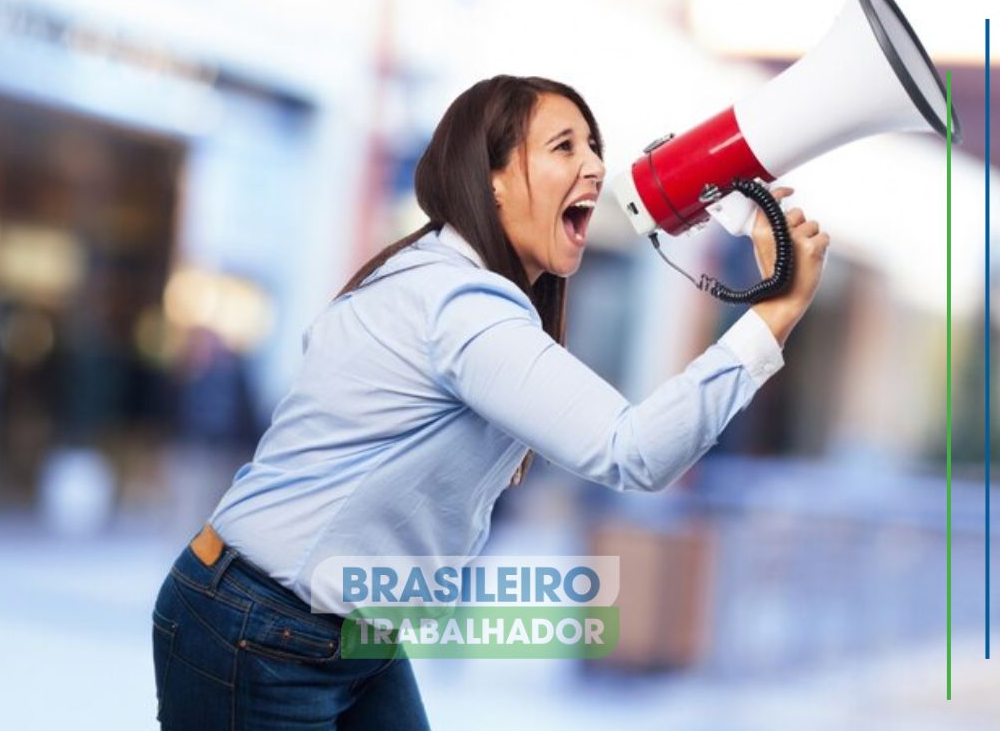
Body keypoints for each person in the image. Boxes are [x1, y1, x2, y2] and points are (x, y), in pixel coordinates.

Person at [150, 75, 830, 730]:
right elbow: (636, 452)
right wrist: (772, 318)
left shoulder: (458, 289)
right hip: (260, 627)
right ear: (493, 179)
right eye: (564, 146)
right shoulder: (460, 301)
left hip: (342, 632)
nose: (595, 165)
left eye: (595, 146)